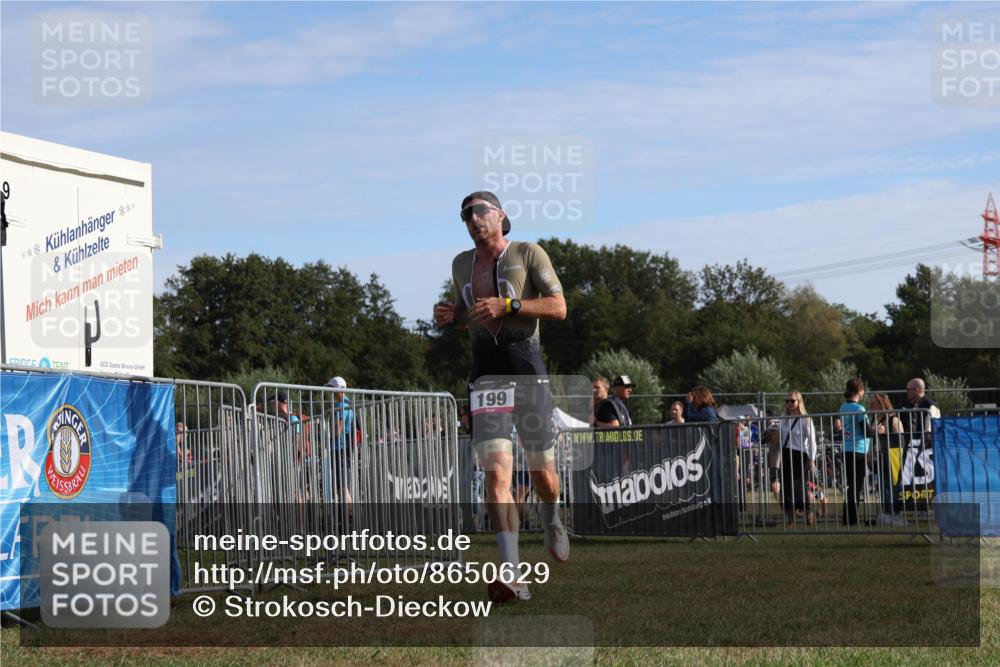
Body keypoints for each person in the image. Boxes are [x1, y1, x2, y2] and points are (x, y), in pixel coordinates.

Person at [433, 191, 569, 604]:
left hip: (527, 371)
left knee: (543, 475)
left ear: (500, 216)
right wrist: (450, 316)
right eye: (465, 215)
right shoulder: (461, 263)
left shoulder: (528, 252)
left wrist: (509, 304)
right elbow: (467, 313)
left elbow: (559, 307)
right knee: (496, 475)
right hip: (486, 376)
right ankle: (512, 575)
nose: (472, 220)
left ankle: (551, 518)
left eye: (479, 212)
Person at [767, 391, 818, 527]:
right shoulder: (783, 419)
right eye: (787, 401)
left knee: (800, 486)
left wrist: (812, 459)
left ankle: (808, 511)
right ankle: (791, 519)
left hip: (800, 455)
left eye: (792, 401)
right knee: (786, 488)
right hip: (785, 454)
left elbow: (812, 441)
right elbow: (781, 438)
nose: (789, 403)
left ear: (799, 402)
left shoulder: (806, 419)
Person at [868, 392, 906, 527]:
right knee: (882, 486)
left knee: (894, 486)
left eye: (874, 404)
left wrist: (886, 433)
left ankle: (898, 514)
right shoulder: (874, 419)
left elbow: (901, 441)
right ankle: (887, 513)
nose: (871, 407)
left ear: (882, 403)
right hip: (878, 455)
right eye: (870, 404)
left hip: (892, 456)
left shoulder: (893, 419)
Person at [839, 378, 870, 526]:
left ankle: (847, 517)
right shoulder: (859, 409)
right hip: (858, 450)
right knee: (856, 486)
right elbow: (866, 431)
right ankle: (851, 518)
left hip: (847, 449)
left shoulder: (843, 407)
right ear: (860, 391)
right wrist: (877, 429)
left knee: (851, 485)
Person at [326, 376, 355, 509]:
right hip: (344, 448)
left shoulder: (341, 406)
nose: (329, 392)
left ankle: (351, 517)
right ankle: (349, 517)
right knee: (343, 486)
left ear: (337, 390)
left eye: (331, 389)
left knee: (342, 486)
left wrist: (326, 433)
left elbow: (338, 430)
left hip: (340, 449)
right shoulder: (349, 404)